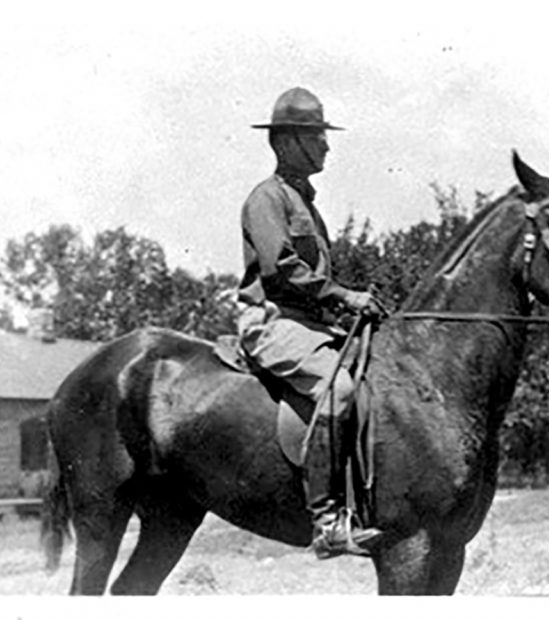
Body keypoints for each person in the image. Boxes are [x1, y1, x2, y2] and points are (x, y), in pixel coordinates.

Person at [237, 87, 386, 559]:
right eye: (316, 136)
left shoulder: (305, 203)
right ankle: (326, 522)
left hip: (308, 323)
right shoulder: (267, 199)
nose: (326, 145)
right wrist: (343, 295)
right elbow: (279, 268)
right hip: (272, 321)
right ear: (287, 143)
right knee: (337, 390)